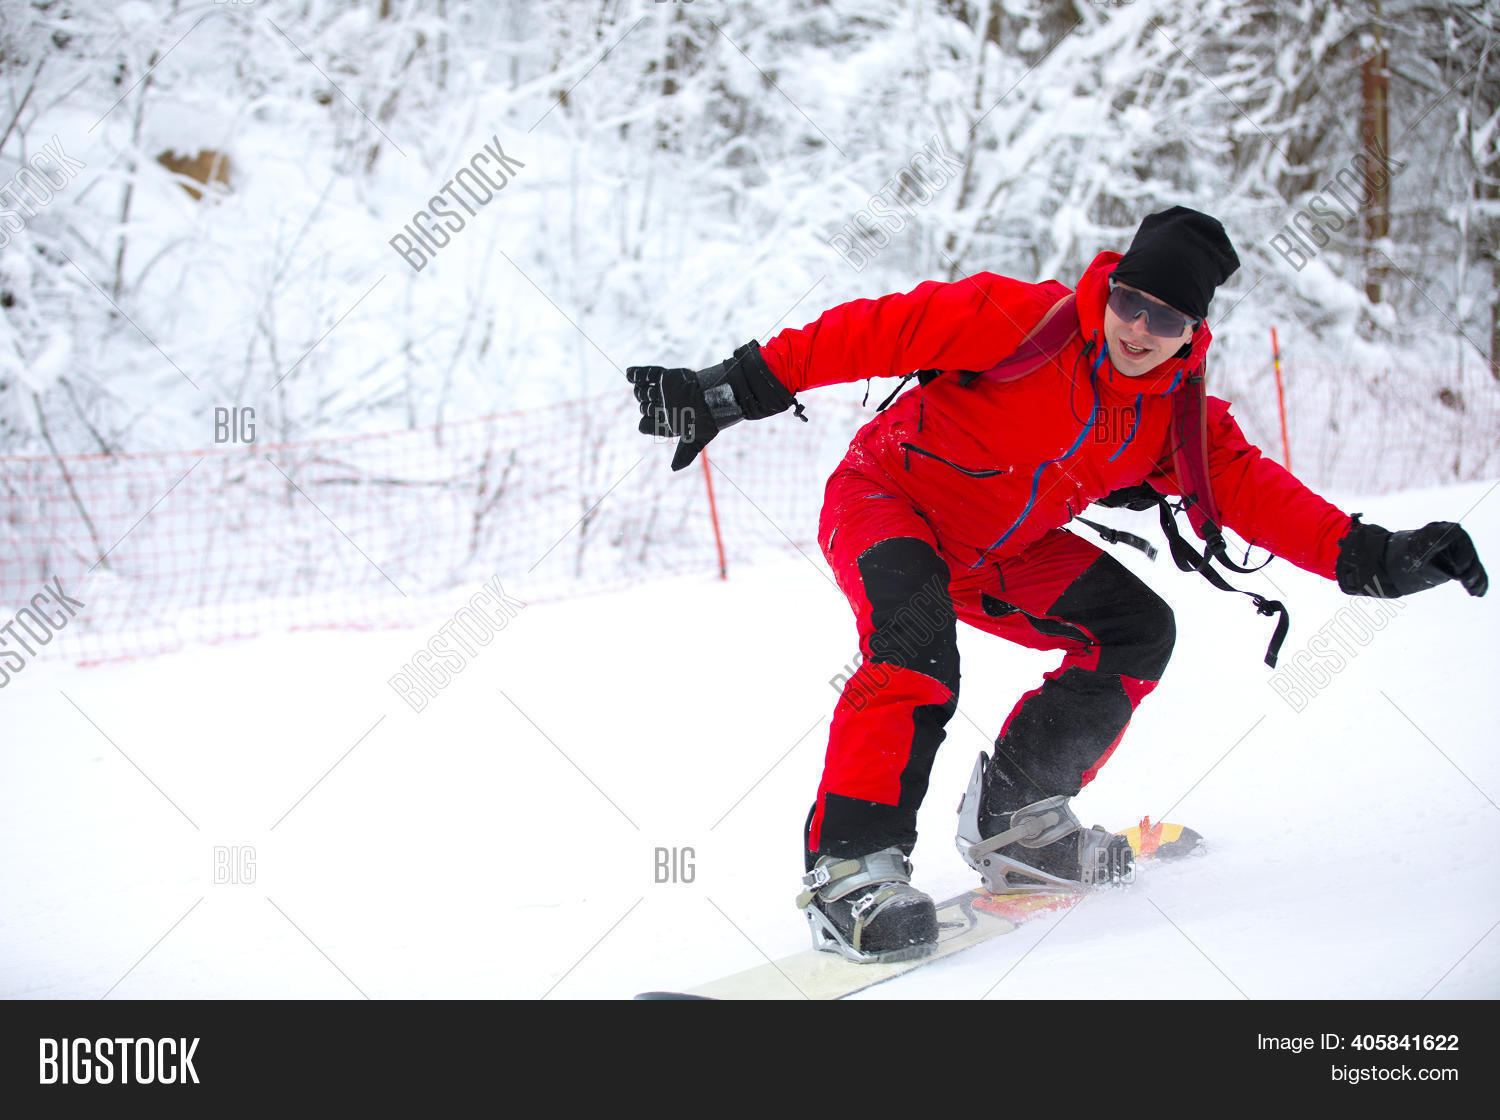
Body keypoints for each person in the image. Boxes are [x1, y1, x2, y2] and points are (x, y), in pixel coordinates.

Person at [626, 206, 1488, 964]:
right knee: (916, 645)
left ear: (1195, 331)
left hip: (1006, 549)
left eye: (1168, 317)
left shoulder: (1177, 415)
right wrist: (734, 388)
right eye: (1131, 302)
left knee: (1137, 630)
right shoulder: (1014, 318)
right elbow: (878, 329)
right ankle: (850, 871)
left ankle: (1017, 817)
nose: (1140, 328)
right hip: (889, 501)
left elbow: (1255, 492)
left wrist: (1373, 557)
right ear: (1109, 288)